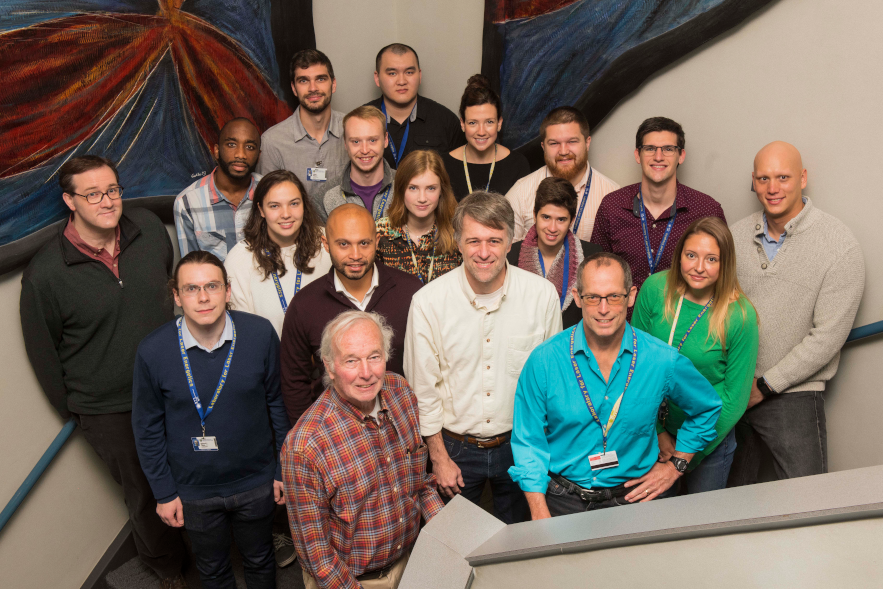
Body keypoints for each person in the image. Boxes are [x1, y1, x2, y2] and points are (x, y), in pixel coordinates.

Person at [20, 155, 188, 589]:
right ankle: (167, 568)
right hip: (109, 410)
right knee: (147, 492)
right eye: (92, 194)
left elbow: (168, 287)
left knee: (195, 466)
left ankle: (209, 546)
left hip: (173, 386)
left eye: (112, 189)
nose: (107, 201)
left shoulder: (148, 230)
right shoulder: (45, 274)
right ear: (69, 201)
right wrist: (81, 412)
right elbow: (45, 356)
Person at [510, 253, 721, 518]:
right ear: (577, 297)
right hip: (563, 500)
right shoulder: (544, 361)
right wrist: (539, 512)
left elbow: (707, 407)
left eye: (614, 297)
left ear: (631, 296)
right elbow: (528, 440)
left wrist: (676, 466)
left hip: (636, 498)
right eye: (593, 297)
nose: (603, 308)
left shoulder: (661, 360)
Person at [133, 252, 291, 589]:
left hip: (256, 482)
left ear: (227, 291)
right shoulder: (153, 351)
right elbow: (147, 429)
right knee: (214, 570)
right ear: (176, 296)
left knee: (261, 560)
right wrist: (163, 492)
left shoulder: (260, 335)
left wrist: (282, 469)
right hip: (193, 491)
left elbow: (278, 404)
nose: (203, 297)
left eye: (212, 286)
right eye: (191, 288)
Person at [403, 191, 562, 524]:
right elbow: (423, 390)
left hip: (521, 444)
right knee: (457, 550)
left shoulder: (541, 296)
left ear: (511, 242)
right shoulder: (428, 303)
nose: (485, 252)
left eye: (494, 240)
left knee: (521, 545)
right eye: (474, 241)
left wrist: (542, 456)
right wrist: (439, 458)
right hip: (454, 449)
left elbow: (552, 383)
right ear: (458, 243)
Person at [728, 141, 865, 485]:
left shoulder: (839, 244)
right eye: (763, 179)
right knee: (720, 504)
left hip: (793, 396)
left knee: (807, 502)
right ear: (753, 182)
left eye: (783, 177)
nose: (772, 189)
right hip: (732, 391)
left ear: (803, 178)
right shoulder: (733, 237)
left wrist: (764, 386)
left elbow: (828, 337)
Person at [283, 311, 444, 589]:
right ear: (330, 367)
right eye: (351, 361)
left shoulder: (400, 391)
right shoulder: (305, 446)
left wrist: (452, 535)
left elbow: (419, 483)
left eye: (374, 356)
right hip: (351, 581)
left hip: (413, 560)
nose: (366, 373)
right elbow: (317, 555)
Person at [632, 217, 759, 493]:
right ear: (679, 256)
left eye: (712, 259)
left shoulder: (740, 315)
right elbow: (634, 366)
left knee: (702, 527)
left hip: (710, 441)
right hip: (652, 432)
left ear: (725, 264)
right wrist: (658, 432)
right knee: (652, 526)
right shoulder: (655, 290)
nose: (699, 267)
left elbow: (733, 401)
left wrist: (682, 460)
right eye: (691, 255)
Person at [280, 204, 422, 426]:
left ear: (377, 240)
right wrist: (310, 435)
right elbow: (294, 382)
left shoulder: (411, 292)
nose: (355, 255)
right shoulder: (304, 305)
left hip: (402, 429)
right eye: (344, 244)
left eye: (364, 243)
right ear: (325, 244)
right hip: (335, 434)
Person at [590, 117, 726, 292]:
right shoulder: (612, 206)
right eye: (650, 149)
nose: (658, 157)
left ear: (681, 156)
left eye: (668, 149)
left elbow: (723, 277)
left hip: (682, 318)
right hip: (624, 318)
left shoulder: (707, 211)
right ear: (637, 155)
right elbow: (596, 272)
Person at [226, 170, 332, 338]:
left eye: (294, 203)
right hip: (267, 359)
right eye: (274, 206)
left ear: (304, 204)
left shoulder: (328, 242)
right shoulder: (240, 259)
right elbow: (243, 332)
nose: (286, 214)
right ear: (261, 209)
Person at [258, 49, 347, 222]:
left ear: (333, 84)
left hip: (347, 237)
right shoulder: (273, 142)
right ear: (293, 88)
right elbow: (269, 205)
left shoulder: (353, 130)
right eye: (303, 80)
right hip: (297, 240)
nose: (313, 88)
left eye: (320, 79)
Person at [505, 106, 619, 242]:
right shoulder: (520, 193)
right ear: (543, 147)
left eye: (572, 141)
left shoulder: (613, 195)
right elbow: (506, 254)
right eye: (554, 143)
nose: (563, 151)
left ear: (587, 143)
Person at [507, 177, 602, 328]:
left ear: (571, 221)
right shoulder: (510, 256)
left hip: (571, 345)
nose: (552, 228)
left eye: (561, 220)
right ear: (534, 215)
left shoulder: (593, 256)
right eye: (546, 217)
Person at [175, 118, 262, 261]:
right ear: (216, 151)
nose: (240, 154)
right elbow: (191, 268)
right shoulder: (187, 202)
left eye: (250, 147)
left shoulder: (271, 192)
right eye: (231, 144)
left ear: (259, 156)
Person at [366, 43, 464, 169]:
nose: (401, 81)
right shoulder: (360, 120)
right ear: (377, 78)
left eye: (409, 72)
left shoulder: (446, 121)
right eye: (392, 73)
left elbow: (460, 174)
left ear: (419, 75)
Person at [375, 150, 462, 283]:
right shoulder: (381, 232)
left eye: (431, 188)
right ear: (401, 190)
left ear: (441, 191)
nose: (422, 198)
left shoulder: (457, 232)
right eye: (413, 188)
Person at [442, 74, 530, 201]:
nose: (481, 132)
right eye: (473, 123)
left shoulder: (517, 165)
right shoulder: (444, 165)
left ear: (499, 123)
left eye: (489, 122)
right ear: (462, 124)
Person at [323, 106, 396, 220]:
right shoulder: (325, 197)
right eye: (356, 141)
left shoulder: (407, 186)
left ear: (386, 140)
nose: (365, 150)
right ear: (346, 144)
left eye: (372, 140)